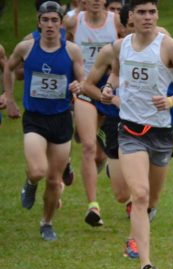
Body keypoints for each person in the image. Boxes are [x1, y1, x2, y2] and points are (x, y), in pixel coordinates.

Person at [102, 0, 173, 269]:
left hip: (161, 133)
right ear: (131, 17)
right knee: (139, 195)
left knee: (151, 199)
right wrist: (109, 88)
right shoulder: (121, 47)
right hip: (130, 130)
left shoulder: (170, 46)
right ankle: (146, 264)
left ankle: (146, 213)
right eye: (141, 12)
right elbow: (117, 74)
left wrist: (169, 101)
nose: (147, 17)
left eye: (152, 12)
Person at [3, 1, 84, 241]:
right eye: (45, 20)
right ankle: (30, 182)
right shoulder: (26, 48)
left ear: (61, 24)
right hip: (35, 119)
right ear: (39, 22)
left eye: (54, 20)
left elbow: (83, 79)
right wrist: (9, 99)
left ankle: (46, 222)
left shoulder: (71, 51)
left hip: (61, 119)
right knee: (38, 171)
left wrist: (79, 85)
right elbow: (8, 68)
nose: (50, 25)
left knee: (54, 180)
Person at [65, 0, 123, 226]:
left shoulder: (115, 20)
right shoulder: (74, 22)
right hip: (86, 88)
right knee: (88, 147)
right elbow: (63, 50)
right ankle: (93, 206)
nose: (97, 1)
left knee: (101, 155)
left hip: (110, 88)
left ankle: (108, 164)